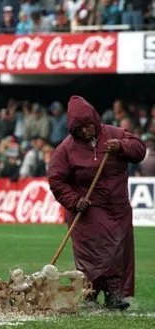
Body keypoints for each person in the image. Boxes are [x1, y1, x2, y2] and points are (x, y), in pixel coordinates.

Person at [48, 96, 146, 311]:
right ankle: (90, 294)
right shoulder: (66, 149)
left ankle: (114, 295)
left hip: (118, 208)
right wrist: (74, 201)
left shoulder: (116, 134)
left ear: (96, 121)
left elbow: (140, 150)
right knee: (93, 254)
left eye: (88, 126)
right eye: (80, 129)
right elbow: (56, 179)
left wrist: (121, 147)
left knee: (119, 252)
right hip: (88, 209)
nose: (86, 131)